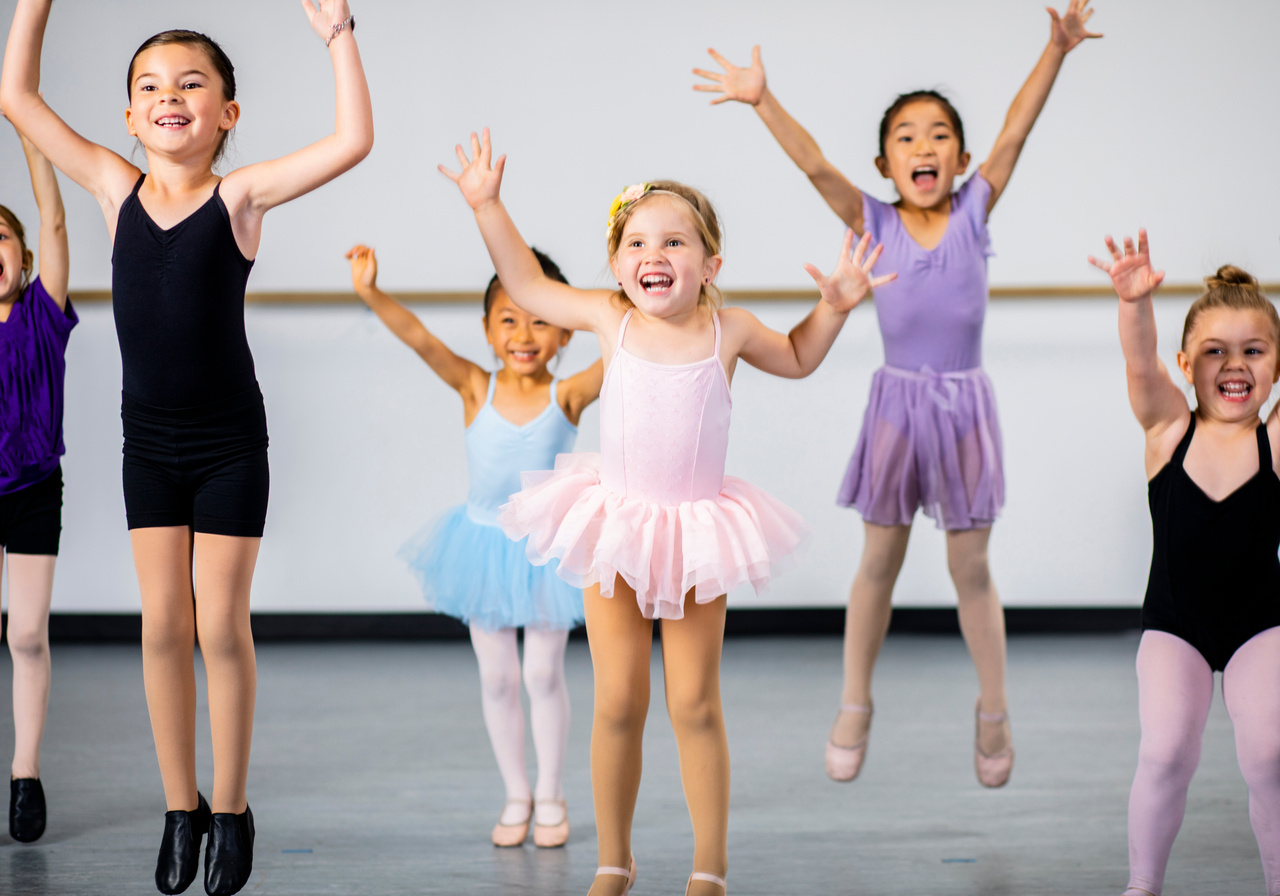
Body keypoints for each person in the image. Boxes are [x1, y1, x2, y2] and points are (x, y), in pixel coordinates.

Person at [441, 128, 892, 896]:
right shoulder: (610, 319)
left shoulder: (731, 328)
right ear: (618, 264)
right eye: (639, 241)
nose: (656, 254)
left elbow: (799, 356)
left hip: (693, 536)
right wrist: (488, 205)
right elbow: (524, 282)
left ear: (710, 263)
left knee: (694, 702)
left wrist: (836, 307)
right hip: (614, 526)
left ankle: (708, 868)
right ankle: (613, 860)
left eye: (676, 241)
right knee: (618, 699)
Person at [0, 3, 372, 893]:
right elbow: (16, 95)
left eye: (192, 84)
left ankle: (234, 807)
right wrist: (38, 4)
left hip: (230, 442)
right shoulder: (112, 186)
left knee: (217, 623)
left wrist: (339, 36)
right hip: (148, 443)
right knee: (161, 625)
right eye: (150, 87)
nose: (170, 97)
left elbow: (353, 140)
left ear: (227, 115)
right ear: (130, 115)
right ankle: (182, 806)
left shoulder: (239, 198)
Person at [693, 0, 1103, 786]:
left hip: (964, 408)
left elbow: (1016, 129)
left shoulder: (975, 207)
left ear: (960, 159)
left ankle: (993, 710)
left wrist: (1055, 49)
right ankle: (855, 702)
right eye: (906, 137)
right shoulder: (871, 218)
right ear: (885, 164)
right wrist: (760, 99)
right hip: (896, 408)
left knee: (970, 569)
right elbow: (815, 165)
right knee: (877, 561)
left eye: (940, 135)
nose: (924, 146)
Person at [1088, 194, 1280, 896]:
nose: (1235, 365)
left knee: (1271, 756)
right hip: (1175, 627)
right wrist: (1134, 303)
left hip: (1261, 625)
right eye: (1214, 352)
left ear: (1277, 363)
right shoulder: (1168, 432)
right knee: (1166, 752)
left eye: (1253, 351)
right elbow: (1141, 371)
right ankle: (1142, 885)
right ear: (1186, 363)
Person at [345, 243, 602, 848]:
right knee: (498, 680)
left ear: (567, 333)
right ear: (487, 329)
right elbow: (420, 339)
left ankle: (551, 793)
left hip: (545, 553)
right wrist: (371, 293)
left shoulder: (566, 395)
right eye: (508, 319)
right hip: (480, 550)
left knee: (542, 674)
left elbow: (627, 353)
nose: (523, 333)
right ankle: (516, 792)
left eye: (541, 319)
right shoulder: (473, 387)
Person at [0, 126, 73, 845]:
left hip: (31, 488)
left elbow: (53, 215)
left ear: (20, 257)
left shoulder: (42, 318)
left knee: (26, 632)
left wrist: (29, 129)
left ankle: (25, 771)